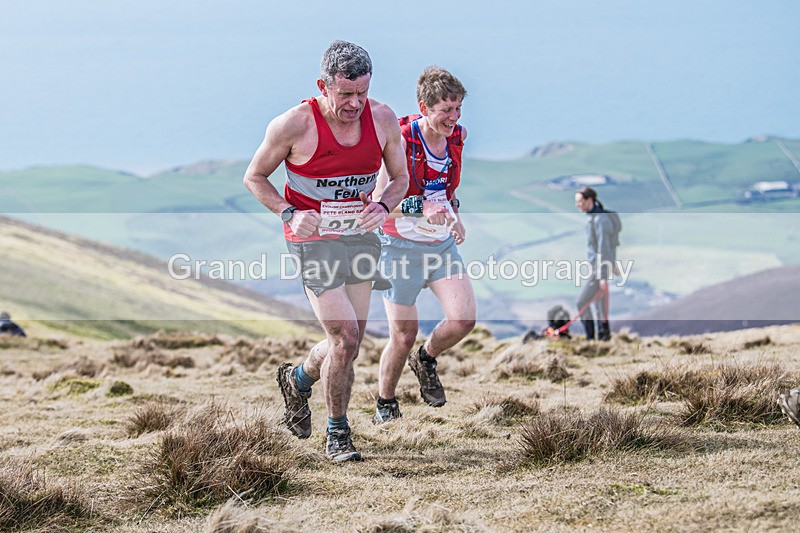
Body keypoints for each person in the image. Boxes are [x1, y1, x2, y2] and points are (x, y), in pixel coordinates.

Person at [243, 40, 409, 462]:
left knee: (346, 344)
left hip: (358, 237)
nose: (355, 103)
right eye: (345, 94)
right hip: (312, 240)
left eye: (362, 93)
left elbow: (400, 179)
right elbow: (255, 177)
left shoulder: (384, 119)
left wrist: (383, 205)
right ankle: (338, 433)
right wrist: (288, 213)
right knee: (346, 335)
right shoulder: (293, 125)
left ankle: (298, 378)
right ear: (323, 85)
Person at [371, 66, 476, 424]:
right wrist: (421, 207)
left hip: (441, 246)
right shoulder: (399, 140)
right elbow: (379, 200)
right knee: (402, 335)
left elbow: (445, 188)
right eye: (446, 110)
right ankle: (386, 402)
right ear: (424, 107)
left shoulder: (457, 137)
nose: (454, 117)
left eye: (458, 108)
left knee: (463, 319)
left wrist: (454, 213)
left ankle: (426, 359)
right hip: (398, 248)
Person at [574, 187, 614, 341]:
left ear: (589, 200)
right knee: (599, 304)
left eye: (579, 201)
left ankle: (591, 339)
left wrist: (603, 276)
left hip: (599, 270)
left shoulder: (600, 220)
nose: (577, 204)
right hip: (597, 268)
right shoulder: (594, 218)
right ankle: (604, 338)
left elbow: (604, 248)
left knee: (582, 302)